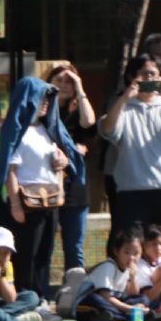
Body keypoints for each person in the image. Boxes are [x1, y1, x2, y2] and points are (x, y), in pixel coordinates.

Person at [101, 54, 161, 258]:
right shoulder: (123, 108)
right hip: (131, 192)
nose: (148, 78)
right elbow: (107, 129)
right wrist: (125, 97)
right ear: (131, 77)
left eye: (153, 74)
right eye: (143, 74)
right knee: (129, 249)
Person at [0, 76, 79, 301]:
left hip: (50, 200)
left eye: (48, 99)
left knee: (44, 253)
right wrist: (15, 204)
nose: (46, 103)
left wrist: (63, 161)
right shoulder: (17, 130)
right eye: (41, 98)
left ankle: (39, 296)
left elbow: (57, 161)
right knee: (27, 254)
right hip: (27, 202)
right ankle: (26, 297)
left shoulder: (47, 129)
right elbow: (11, 170)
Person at [46, 62, 96, 275]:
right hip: (46, 185)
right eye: (59, 80)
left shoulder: (78, 110)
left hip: (75, 187)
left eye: (69, 82)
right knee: (45, 244)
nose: (64, 85)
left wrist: (80, 86)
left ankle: (74, 288)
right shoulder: (42, 109)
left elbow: (89, 122)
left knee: (74, 246)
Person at [72, 224, 148, 321]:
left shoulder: (129, 270)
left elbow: (133, 295)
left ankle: (116, 317)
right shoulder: (108, 267)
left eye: (136, 254)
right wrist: (129, 308)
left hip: (113, 305)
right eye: (126, 252)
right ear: (116, 251)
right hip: (87, 306)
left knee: (143, 299)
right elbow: (105, 296)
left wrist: (133, 278)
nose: (131, 258)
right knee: (96, 299)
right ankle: (125, 317)